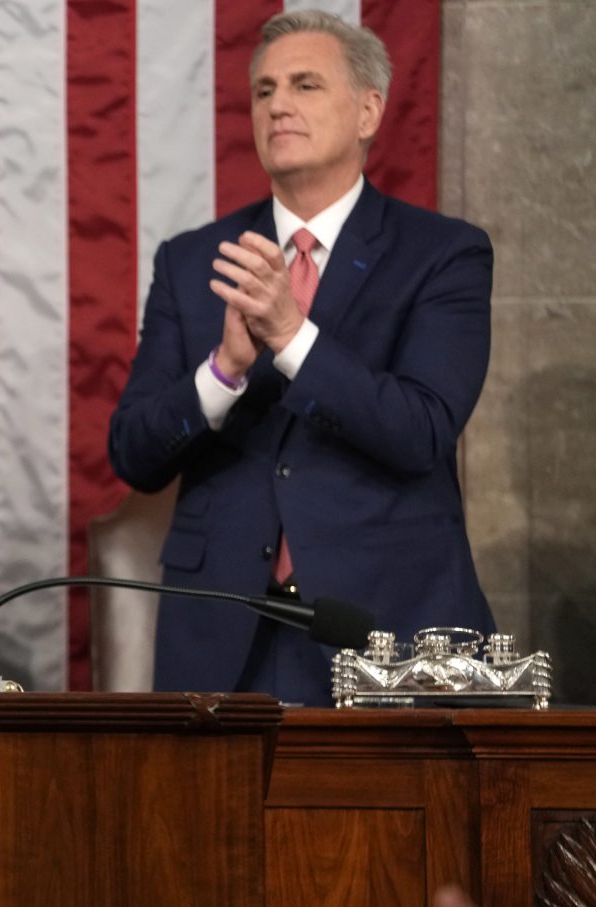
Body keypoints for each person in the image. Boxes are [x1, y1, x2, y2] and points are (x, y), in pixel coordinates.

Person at [108, 10, 495, 706]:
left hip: (384, 625)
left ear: (369, 110)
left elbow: (421, 429)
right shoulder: (195, 260)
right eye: (263, 90)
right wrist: (222, 372)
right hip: (223, 633)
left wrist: (290, 336)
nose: (278, 104)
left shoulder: (443, 254)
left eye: (306, 85)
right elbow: (134, 452)